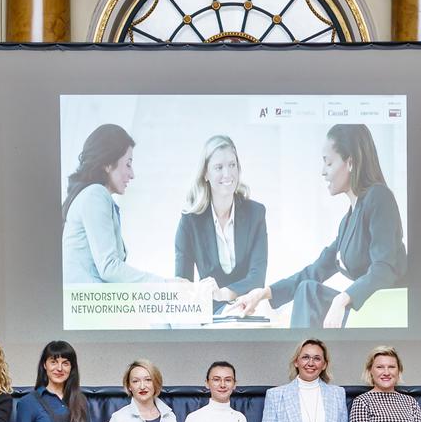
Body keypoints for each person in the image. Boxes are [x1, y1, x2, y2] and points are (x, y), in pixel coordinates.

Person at [232, 124, 407, 329]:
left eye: (328, 163)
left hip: (388, 308)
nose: (323, 172)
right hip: (367, 310)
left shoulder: (379, 197)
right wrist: (263, 293)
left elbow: (383, 269)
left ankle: (300, 357)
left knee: (309, 292)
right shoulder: (348, 222)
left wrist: (342, 299)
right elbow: (314, 272)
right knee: (308, 287)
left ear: (350, 162)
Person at [61, 123, 164, 284]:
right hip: (87, 304)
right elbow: (109, 268)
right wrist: (164, 285)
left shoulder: (91, 196)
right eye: (128, 164)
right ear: (108, 163)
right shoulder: (95, 194)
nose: (132, 174)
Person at [173, 135, 268, 307]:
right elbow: (183, 285)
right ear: (205, 174)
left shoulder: (256, 213)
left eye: (232, 165)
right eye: (219, 167)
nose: (227, 173)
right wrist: (200, 294)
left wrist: (223, 294)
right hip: (210, 315)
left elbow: (257, 277)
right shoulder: (190, 221)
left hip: (248, 309)